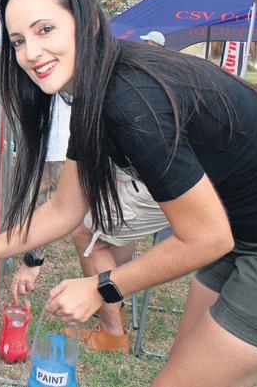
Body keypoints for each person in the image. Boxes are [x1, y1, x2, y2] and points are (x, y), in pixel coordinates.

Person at [0, 0, 257, 386]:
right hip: (245, 230)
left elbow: (206, 238)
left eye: (44, 29)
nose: (30, 53)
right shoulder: (93, 93)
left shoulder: (130, 101)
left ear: (88, 24)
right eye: (18, 41)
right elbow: (65, 208)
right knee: (188, 367)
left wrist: (100, 287)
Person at [11, 97, 169, 354]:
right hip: (158, 169)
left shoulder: (58, 105)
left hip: (164, 182)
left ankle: (112, 333)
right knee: (112, 223)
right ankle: (113, 308)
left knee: (87, 233)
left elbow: (50, 193)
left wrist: (32, 261)